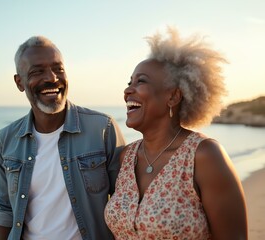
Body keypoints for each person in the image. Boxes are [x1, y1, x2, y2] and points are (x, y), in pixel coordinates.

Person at [104, 27, 248, 239]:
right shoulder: (126, 158)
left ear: (172, 97)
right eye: (129, 82)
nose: (127, 91)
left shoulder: (204, 156)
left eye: (140, 81)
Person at [0, 36, 125, 240]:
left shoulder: (102, 129)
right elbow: (4, 208)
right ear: (19, 82)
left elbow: (125, 202)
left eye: (58, 69)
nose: (52, 78)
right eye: (38, 71)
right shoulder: (6, 139)